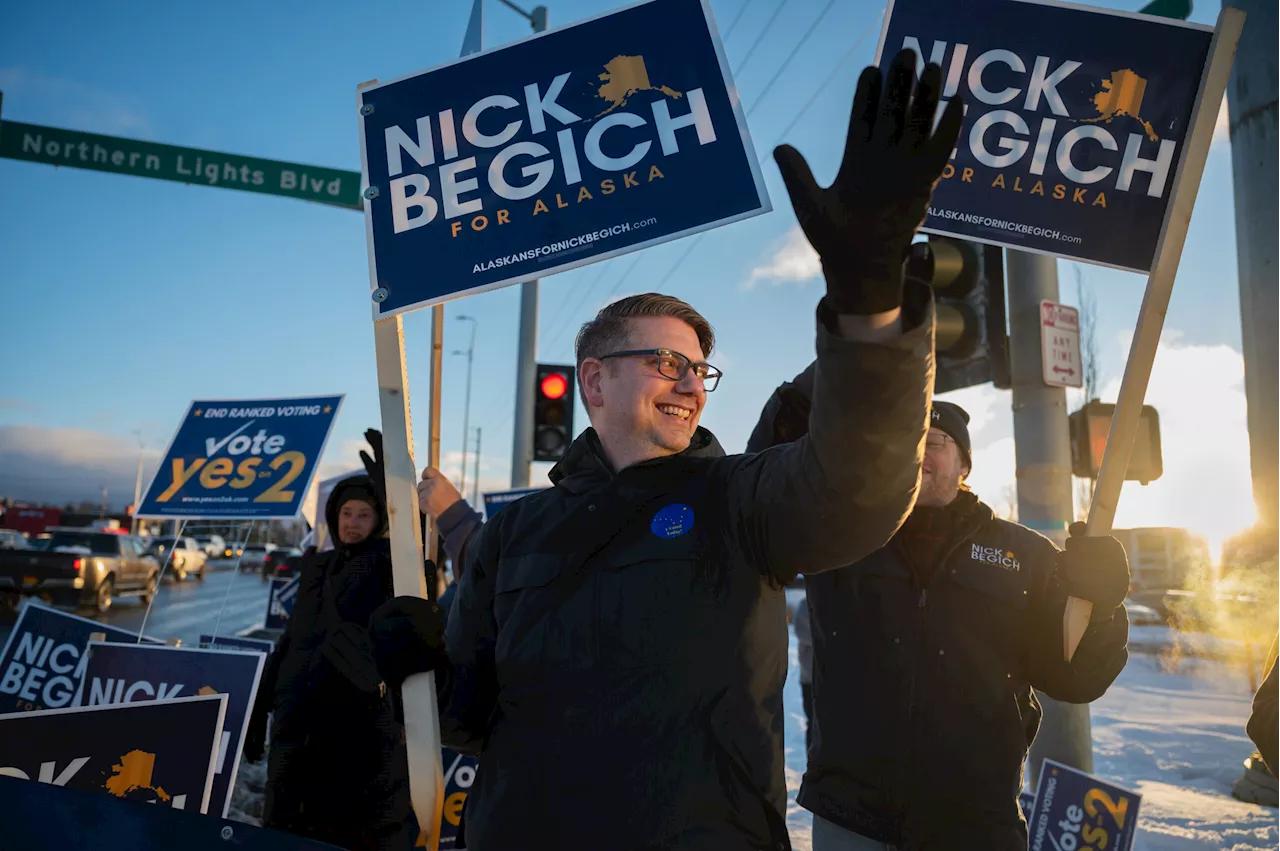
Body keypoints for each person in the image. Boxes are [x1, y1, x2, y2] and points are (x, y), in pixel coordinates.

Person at [368, 50, 962, 851]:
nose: (689, 384)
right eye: (664, 361)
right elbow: (469, 720)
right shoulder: (515, 534)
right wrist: (416, 664)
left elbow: (861, 485)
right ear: (594, 380)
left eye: (698, 368)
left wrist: (868, 300)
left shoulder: (740, 500)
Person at [746, 393, 1132, 851]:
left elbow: (1074, 677)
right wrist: (802, 399)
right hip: (852, 818)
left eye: (935, 441)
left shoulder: (1025, 555)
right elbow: (761, 488)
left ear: (964, 463)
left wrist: (1103, 605)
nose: (918, 452)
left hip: (975, 822)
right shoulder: (841, 535)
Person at [244, 473, 413, 851]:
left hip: (354, 728)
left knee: (347, 829)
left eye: (364, 515)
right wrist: (260, 705)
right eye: (347, 513)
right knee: (284, 830)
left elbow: (412, 558)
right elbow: (292, 639)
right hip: (295, 722)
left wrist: (399, 494)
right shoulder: (316, 566)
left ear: (380, 521)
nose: (352, 523)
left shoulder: (386, 566)